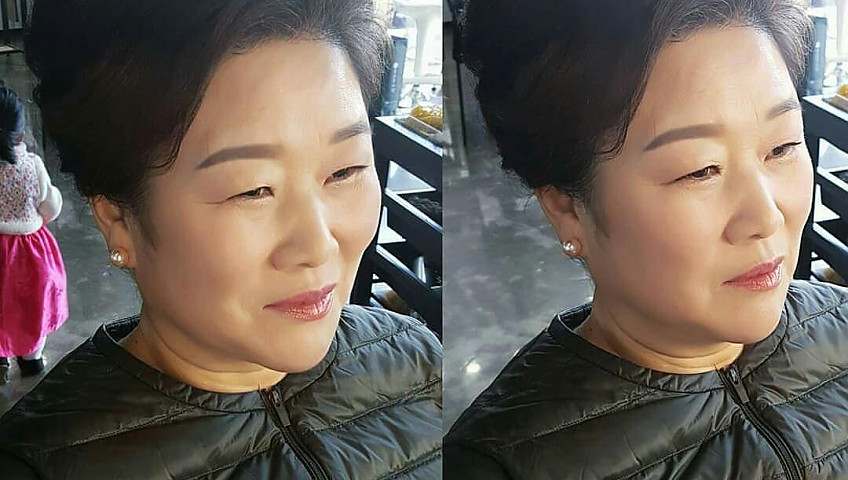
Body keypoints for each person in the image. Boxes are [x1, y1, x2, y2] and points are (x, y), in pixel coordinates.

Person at [0, 1, 442, 479]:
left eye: (345, 170)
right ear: (118, 218)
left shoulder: (420, 360)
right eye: (253, 189)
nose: (318, 246)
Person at [444, 0, 848, 478]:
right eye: (699, 170)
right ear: (567, 209)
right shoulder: (498, 465)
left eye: (782, 146)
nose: (766, 216)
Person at [0, 84, 66, 385]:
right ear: (20, 133)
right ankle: (31, 360)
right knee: (30, 307)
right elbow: (50, 206)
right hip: (30, 254)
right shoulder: (32, 165)